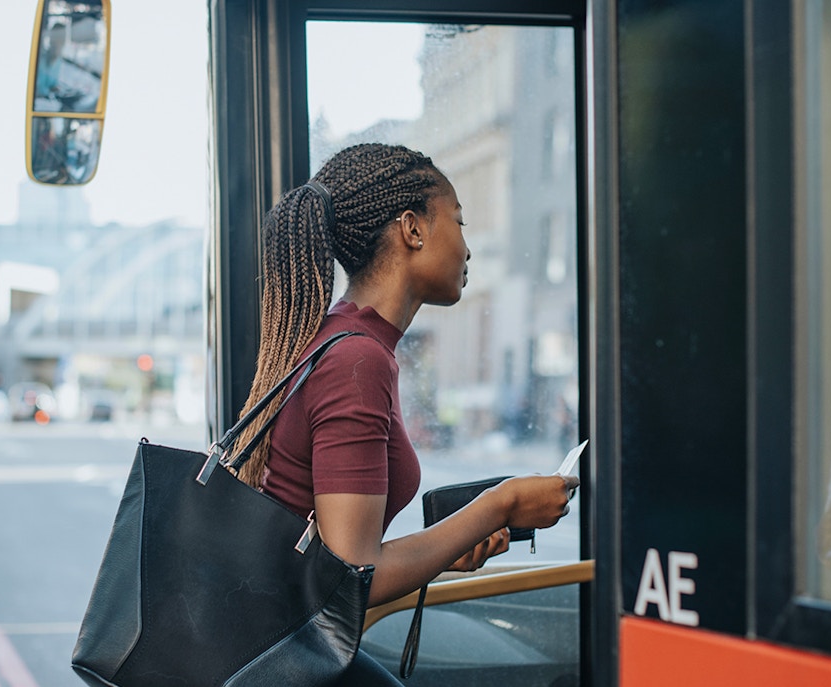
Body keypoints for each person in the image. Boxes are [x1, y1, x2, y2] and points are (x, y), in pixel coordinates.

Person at [229, 143, 579, 684]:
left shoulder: (342, 339)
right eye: (459, 221)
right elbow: (349, 574)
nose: (468, 247)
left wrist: (452, 544)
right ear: (412, 230)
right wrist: (500, 503)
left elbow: (334, 562)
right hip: (282, 655)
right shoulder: (357, 359)